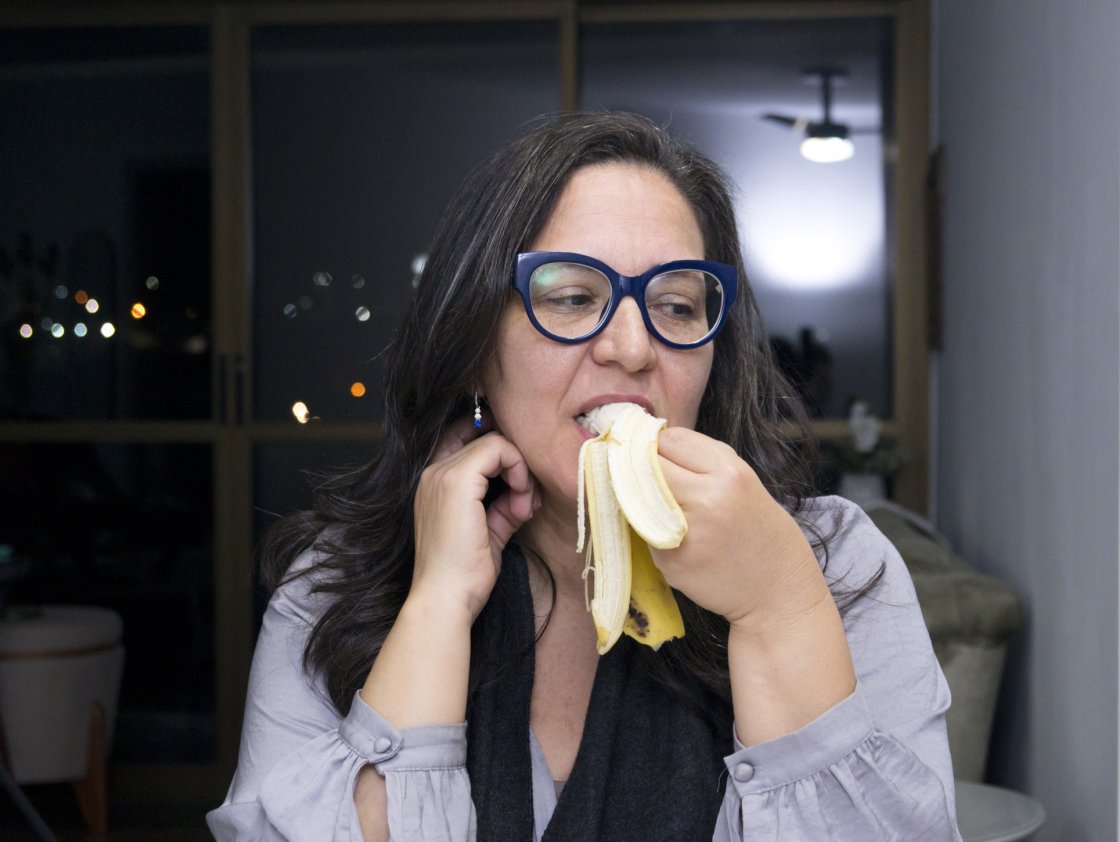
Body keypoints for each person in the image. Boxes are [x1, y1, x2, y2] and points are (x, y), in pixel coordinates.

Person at [207, 111, 962, 841]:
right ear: (474, 351)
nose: (632, 348)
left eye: (676, 305)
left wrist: (777, 609)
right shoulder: (336, 587)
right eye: (572, 299)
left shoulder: (834, 566)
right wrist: (437, 604)